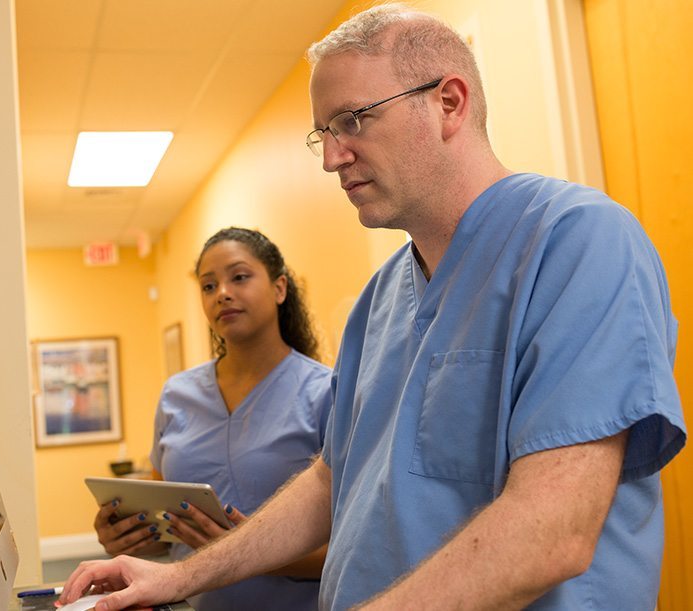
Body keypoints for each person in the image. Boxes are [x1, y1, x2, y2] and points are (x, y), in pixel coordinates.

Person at [59, 4, 687, 610]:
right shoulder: (381, 299)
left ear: (448, 103)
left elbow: (553, 533)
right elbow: (331, 484)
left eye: (353, 120)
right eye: (323, 133)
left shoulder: (578, 242)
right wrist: (176, 578)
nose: (332, 157)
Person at [90, 227, 331, 610]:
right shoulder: (176, 395)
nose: (222, 293)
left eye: (239, 277)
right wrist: (126, 535)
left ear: (279, 288)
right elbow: (169, 530)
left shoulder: (325, 392)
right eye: (208, 285)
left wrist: (241, 551)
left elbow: (351, 545)